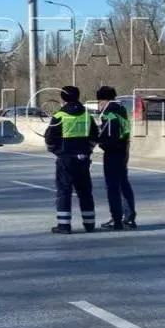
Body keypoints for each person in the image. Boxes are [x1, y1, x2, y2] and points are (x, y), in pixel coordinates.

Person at [44, 85, 99, 234]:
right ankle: (89, 224)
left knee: (64, 191)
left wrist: (57, 151)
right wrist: (88, 150)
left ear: (63, 98)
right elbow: (95, 135)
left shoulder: (60, 116)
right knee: (85, 191)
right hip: (83, 159)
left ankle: (64, 225)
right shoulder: (86, 115)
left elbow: (49, 138)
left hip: (66, 160)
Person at [96, 86, 137, 229]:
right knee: (123, 183)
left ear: (103, 99)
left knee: (113, 187)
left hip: (113, 152)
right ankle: (129, 217)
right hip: (124, 149)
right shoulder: (122, 109)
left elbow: (108, 133)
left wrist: (100, 142)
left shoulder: (109, 112)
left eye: (99, 101)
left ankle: (117, 219)